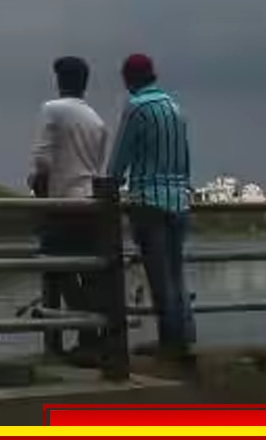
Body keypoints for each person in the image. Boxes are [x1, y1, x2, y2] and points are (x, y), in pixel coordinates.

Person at [107, 53, 194, 363]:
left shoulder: (137, 108)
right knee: (176, 275)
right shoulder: (175, 109)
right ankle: (187, 338)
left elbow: (118, 161)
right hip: (179, 202)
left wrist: (108, 186)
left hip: (149, 203)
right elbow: (184, 160)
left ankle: (171, 346)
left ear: (129, 79)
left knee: (160, 280)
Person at [27, 56, 109, 366]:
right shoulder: (96, 120)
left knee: (55, 266)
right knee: (89, 272)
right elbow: (95, 166)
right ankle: (95, 335)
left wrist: (39, 195)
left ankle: (84, 334)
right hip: (91, 203)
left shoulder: (53, 110)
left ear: (60, 81)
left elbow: (43, 162)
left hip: (62, 203)